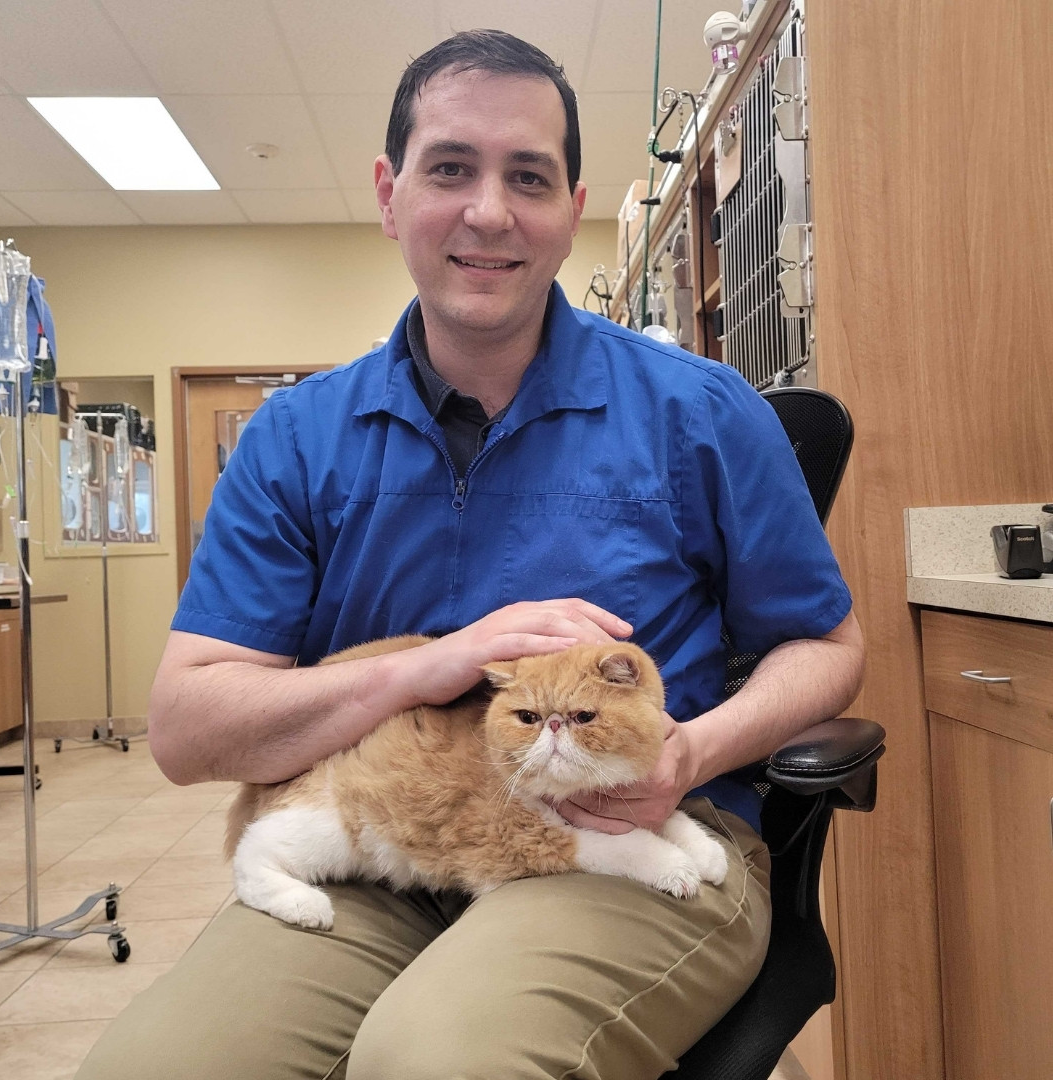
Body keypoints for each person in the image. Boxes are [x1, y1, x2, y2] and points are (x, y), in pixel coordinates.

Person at [77, 28, 863, 1080]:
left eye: (527, 177)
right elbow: (184, 730)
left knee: (440, 1060)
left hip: (635, 839)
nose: (489, 211)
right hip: (393, 846)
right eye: (451, 167)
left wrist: (688, 754)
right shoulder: (295, 440)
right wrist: (429, 666)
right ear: (390, 191)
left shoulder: (702, 414)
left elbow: (826, 647)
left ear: (571, 206)